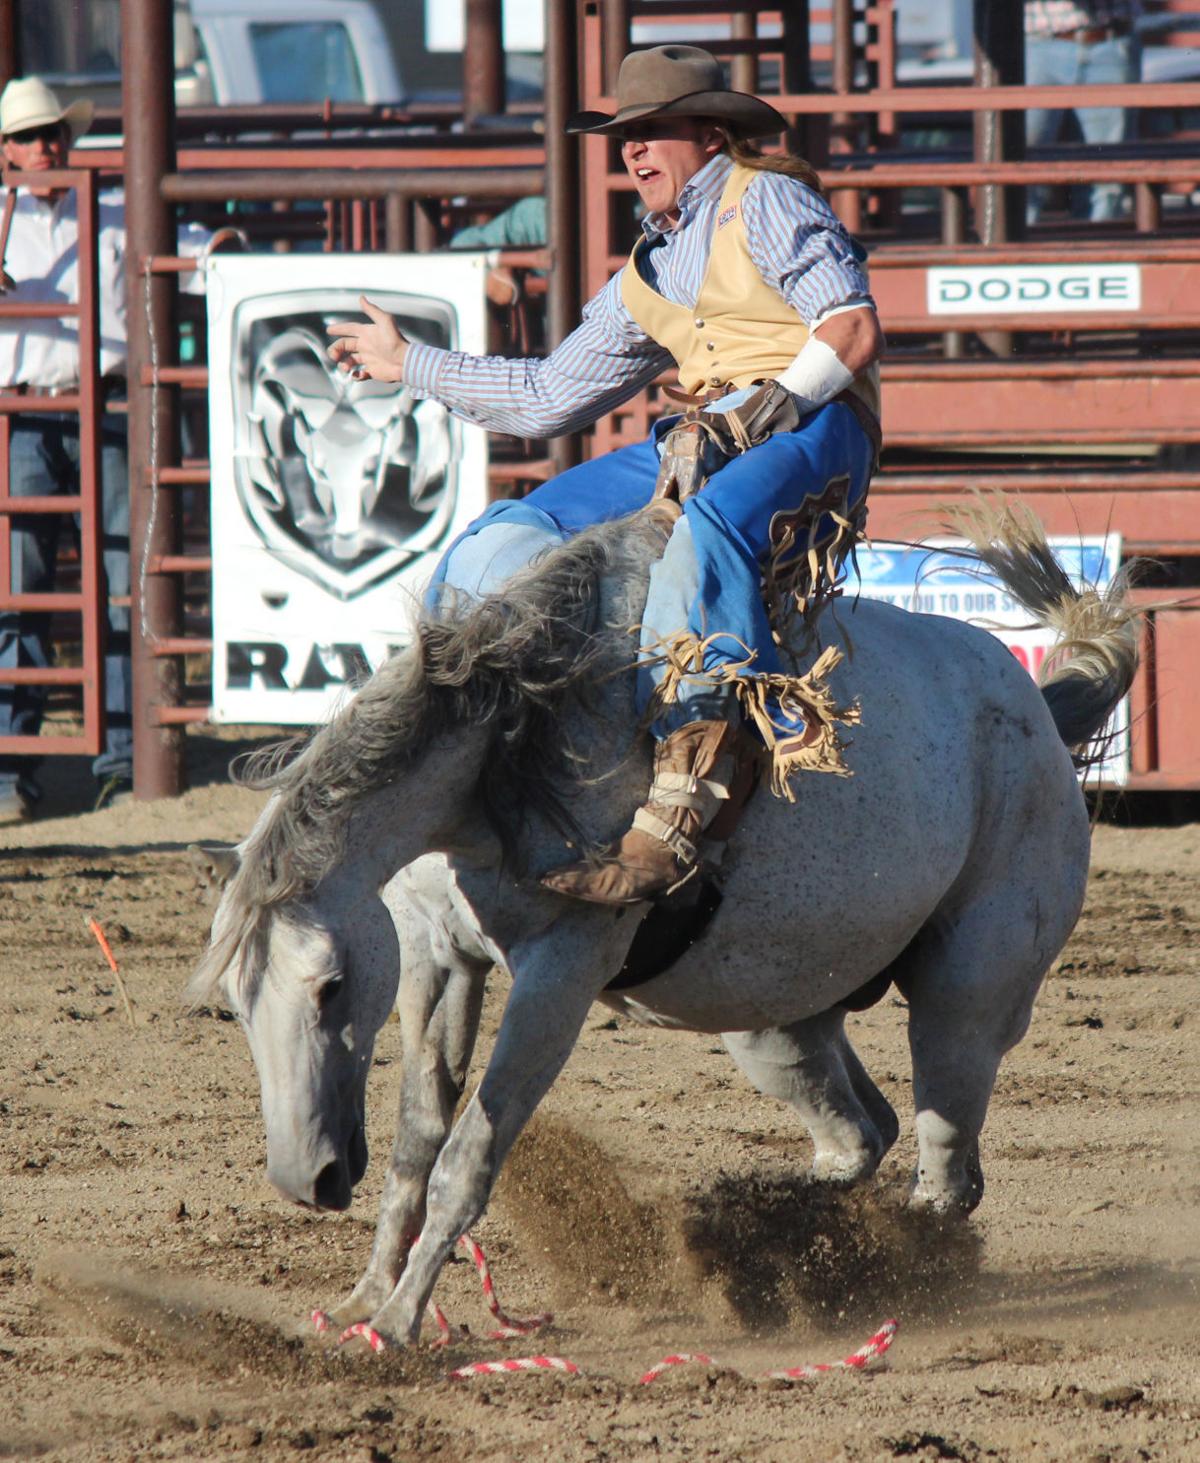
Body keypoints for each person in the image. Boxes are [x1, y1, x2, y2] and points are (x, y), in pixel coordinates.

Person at [328, 44, 884, 905]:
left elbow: (848, 330)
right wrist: (411, 362)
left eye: (651, 130)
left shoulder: (763, 199)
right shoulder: (648, 271)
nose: (631, 150)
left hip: (816, 426)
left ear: (708, 133)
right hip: (701, 434)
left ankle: (684, 804)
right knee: (508, 534)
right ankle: (431, 731)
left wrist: (754, 416)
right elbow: (548, 395)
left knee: (709, 531)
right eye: (624, 135)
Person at [0, 76, 209, 822]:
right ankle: (13, 767)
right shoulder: (8, 216)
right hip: (27, 412)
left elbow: (197, 250)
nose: (44, 146)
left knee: (124, 585)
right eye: (27, 136)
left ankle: (122, 760)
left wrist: (227, 250)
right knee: (20, 592)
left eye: (52, 131)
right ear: (7, 152)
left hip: (107, 408)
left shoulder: (116, 209)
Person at [1025, 1, 1141, 224]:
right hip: (1040, 41)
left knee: (1110, 171)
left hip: (1108, 38)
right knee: (1021, 165)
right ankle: (1013, 253)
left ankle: (1104, 251)